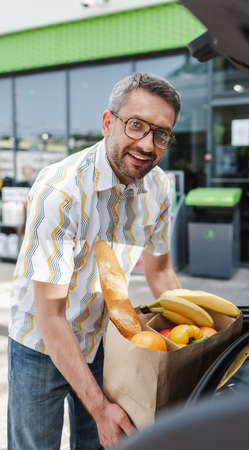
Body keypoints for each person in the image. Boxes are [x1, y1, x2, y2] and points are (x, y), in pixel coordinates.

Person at [7, 72, 182, 450]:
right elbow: (51, 315)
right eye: (136, 125)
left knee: (102, 443)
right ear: (108, 123)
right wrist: (100, 408)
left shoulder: (159, 188)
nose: (147, 144)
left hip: (106, 339)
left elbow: (161, 271)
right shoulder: (61, 190)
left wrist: (196, 340)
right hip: (41, 341)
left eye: (161, 133)